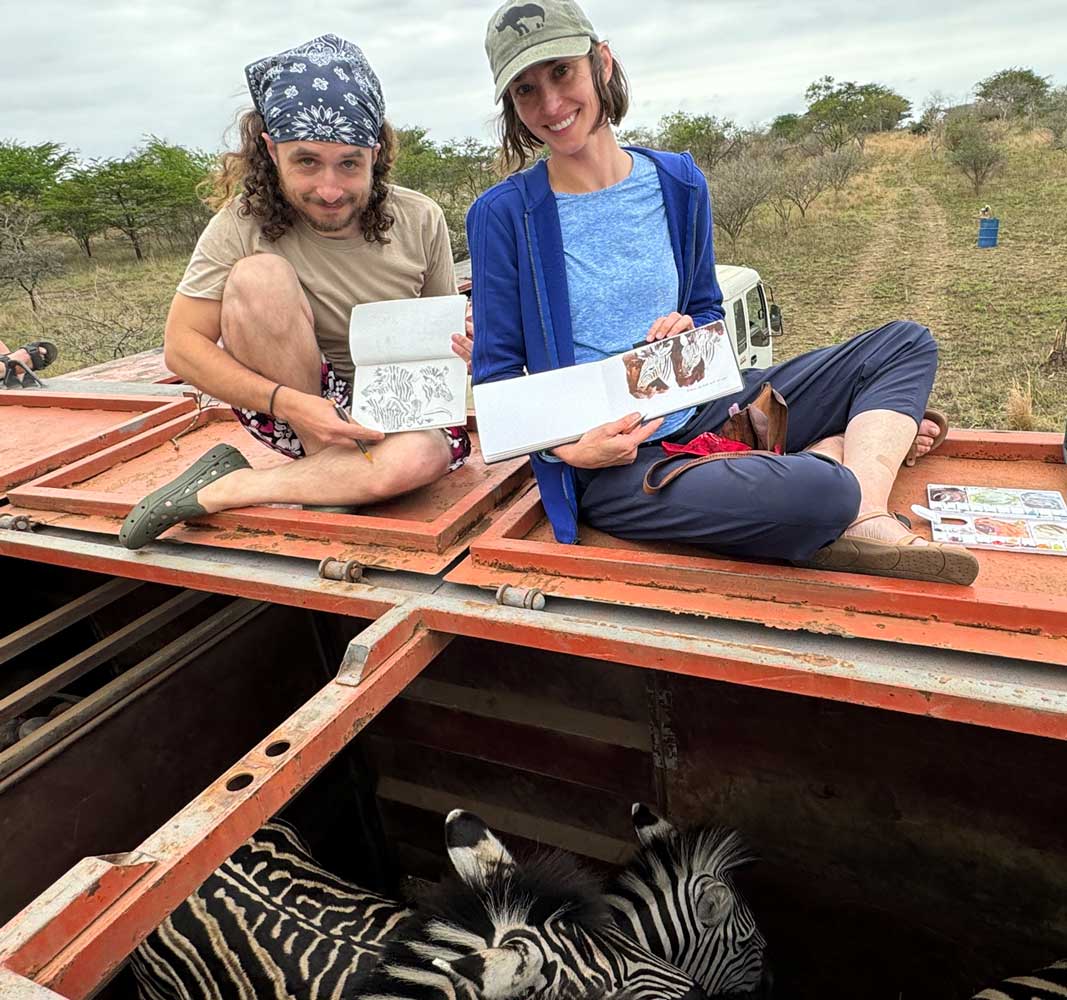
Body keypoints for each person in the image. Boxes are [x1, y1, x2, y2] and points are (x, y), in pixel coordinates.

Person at [467, 0, 978, 586]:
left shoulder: (678, 181)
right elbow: (498, 381)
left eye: (562, 72)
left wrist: (691, 329)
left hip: (708, 408)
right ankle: (843, 468)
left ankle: (861, 511)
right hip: (624, 466)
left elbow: (707, 308)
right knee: (821, 490)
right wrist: (568, 451)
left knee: (904, 343)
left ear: (602, 63)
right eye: (526, 90)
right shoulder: (504, 216)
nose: (551, 105)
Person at [120, 34, 473, 549]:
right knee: (258, 277)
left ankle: (236, 485)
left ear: (376, 153)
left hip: (396, 409)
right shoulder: (241, 224)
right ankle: (325, 466)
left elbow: (437, 340)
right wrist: (291, 404)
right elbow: (183, 347)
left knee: (420, 456)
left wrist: (462, 342)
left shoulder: (420, 218)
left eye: (350, 164)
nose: (330, 189)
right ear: (270, 149)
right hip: (295, 407)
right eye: (307, 162)